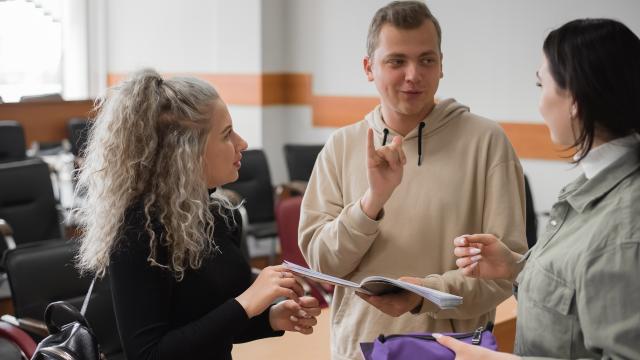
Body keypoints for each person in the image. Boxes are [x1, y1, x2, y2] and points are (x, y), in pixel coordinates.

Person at [298, 1, 528, 359]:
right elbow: (323, 265)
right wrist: (371, 202)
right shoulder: (341, 147)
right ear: (368, 68)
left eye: (426, 60)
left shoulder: (487, 143)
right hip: (360, 351)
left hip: (455, 350)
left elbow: (503, 272)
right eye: (396, 61)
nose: (413, 75)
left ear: (441, 65)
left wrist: (427, 293)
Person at [75, 69, 320, 359]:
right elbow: (149, 354)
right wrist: (246, 303)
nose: (242, 144)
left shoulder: (216, 217)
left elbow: (211, 324)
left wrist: (270, 318)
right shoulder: (138, 232)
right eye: (227, 134)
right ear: (187, 153)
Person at [436, 18, 640, 359]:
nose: (540, 103)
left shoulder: (624, 227)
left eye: (540, 85)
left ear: (574, 98)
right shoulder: (593, 184)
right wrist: (517, 267)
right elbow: (581, 293)